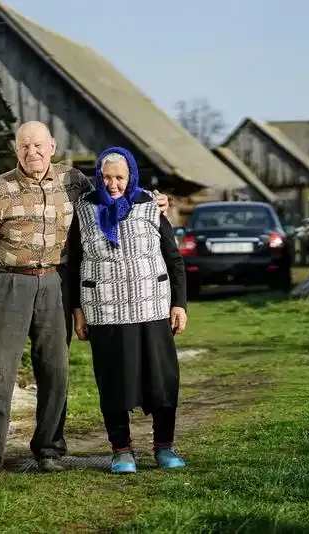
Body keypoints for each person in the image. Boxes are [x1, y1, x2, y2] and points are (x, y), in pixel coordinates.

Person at [0, 122, 169, 475]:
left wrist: (155, 200)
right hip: (7, 285)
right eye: (25, 147)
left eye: (39, 146)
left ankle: (50, 451)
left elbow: (113, 194)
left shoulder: (73, 181)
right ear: (17, 150)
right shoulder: (0, 189)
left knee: (55, 372)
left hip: (56, 284)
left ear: (52, 146)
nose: (33, 153)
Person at [68, 146, 188, 474]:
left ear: (130, 175)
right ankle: (121, 450)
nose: (112, 184)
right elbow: (75, 263)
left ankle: (164, 447)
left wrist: (179, 303)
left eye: (119, 177)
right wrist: (77, 310)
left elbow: (173, 257)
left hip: (152, 308)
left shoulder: (150, 205)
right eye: (106, 177)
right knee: (113, 383)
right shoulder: (84, 209)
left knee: (162, 382)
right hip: (105, 313)